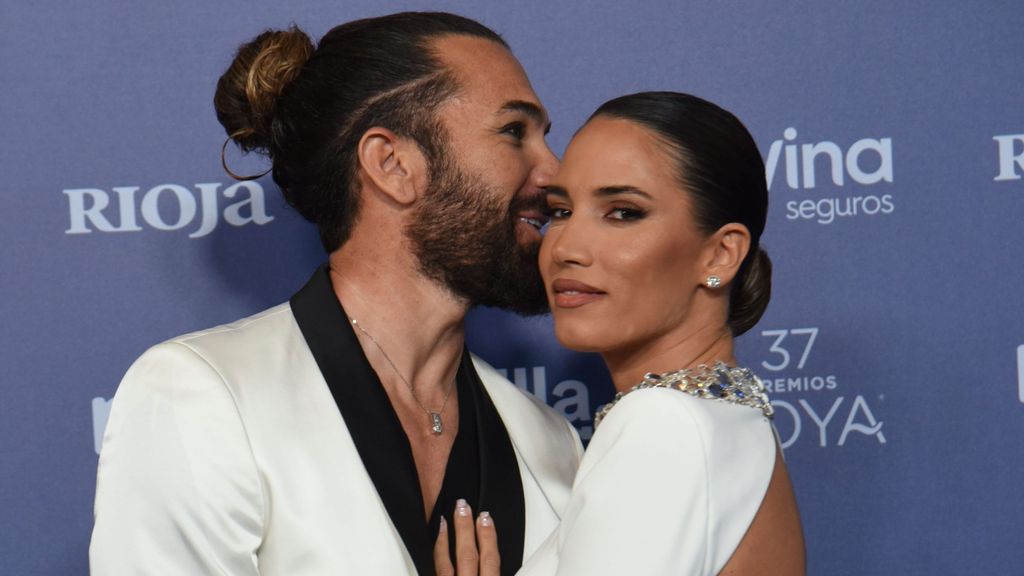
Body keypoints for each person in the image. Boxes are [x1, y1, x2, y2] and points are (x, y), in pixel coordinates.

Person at [90, 12, 583, 576]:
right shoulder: (202, 396)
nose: (555, 172)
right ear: (392, 164)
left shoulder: (549, 440)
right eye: (515, 131)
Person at [436, 92, 805, 575]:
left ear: (720, 255)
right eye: (562, 211)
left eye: (624, 213)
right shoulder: (727, 422)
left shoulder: (663, 424)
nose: (566, 247)